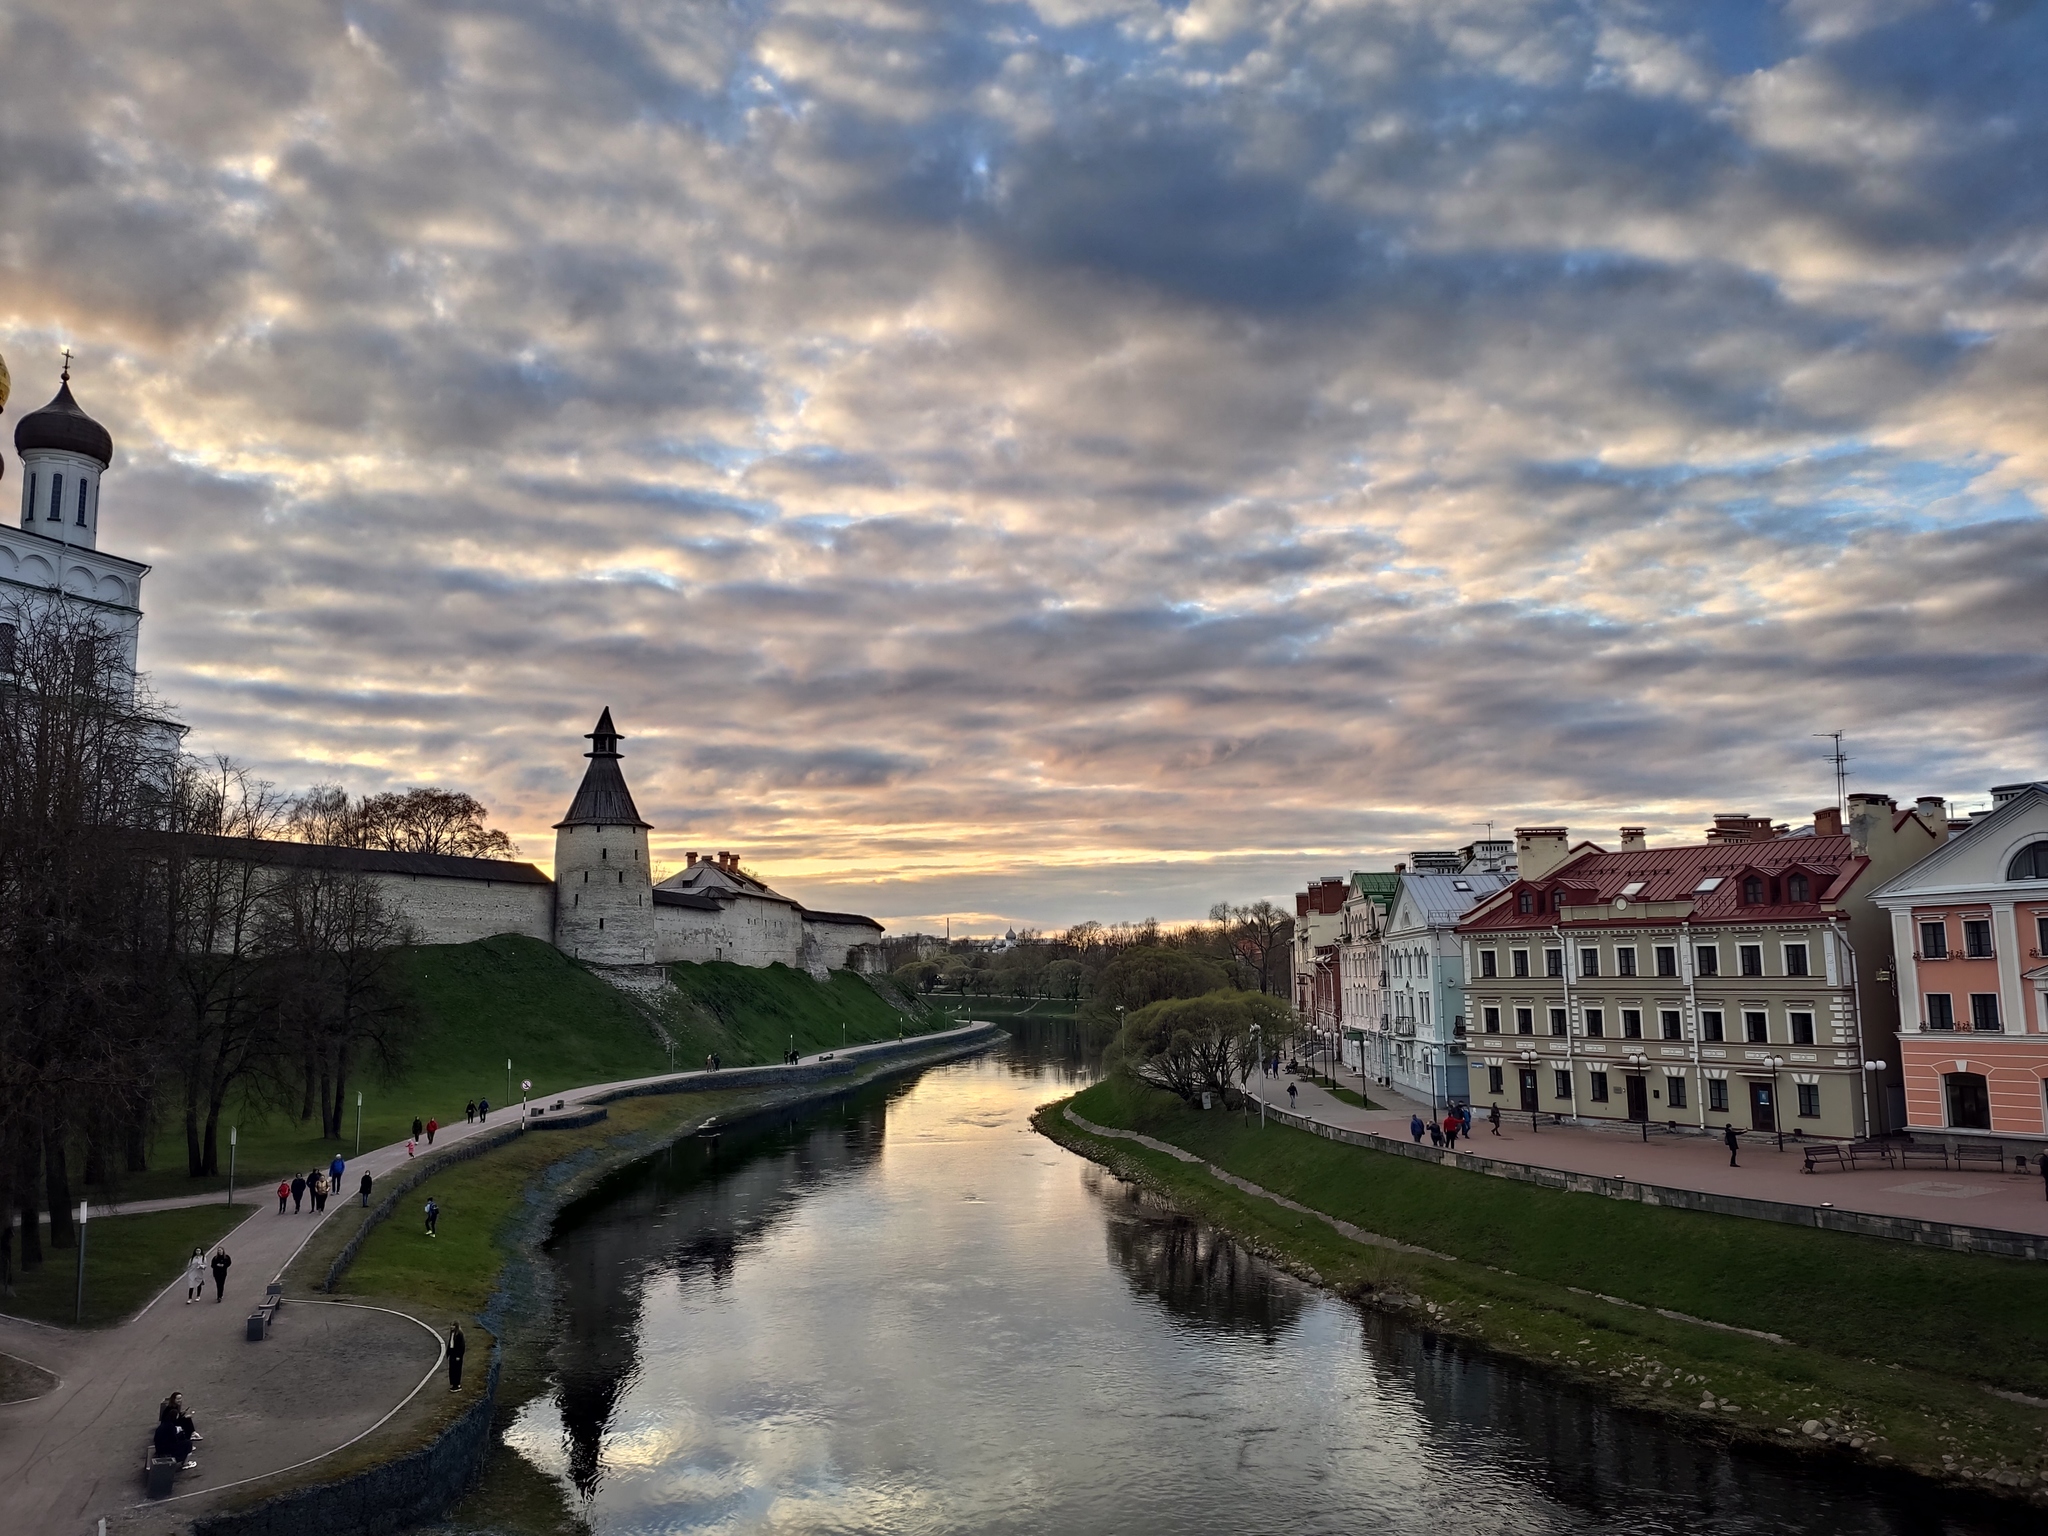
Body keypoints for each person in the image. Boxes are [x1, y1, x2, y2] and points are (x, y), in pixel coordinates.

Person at [155, 1394, 199, 1470]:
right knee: (187, 1444)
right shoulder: (170, 1426)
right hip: (164, 1448)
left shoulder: (167, 1424)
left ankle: (192, 1434)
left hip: (160, 1447)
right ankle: (185, 1463)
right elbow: (173, 1439)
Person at [448, 1323, 466, 1390]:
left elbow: (462, 1346)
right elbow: (450, 1343)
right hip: (452, 1353)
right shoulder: (452, 1333)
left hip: (457, 1354)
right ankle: (453, 1383)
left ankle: (457, 1384)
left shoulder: (459, 1334)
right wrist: (448, 1352)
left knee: (457, 1370)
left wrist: (459, 1356)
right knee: (452, 1369)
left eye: (453, 1326)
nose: (451, 1327)